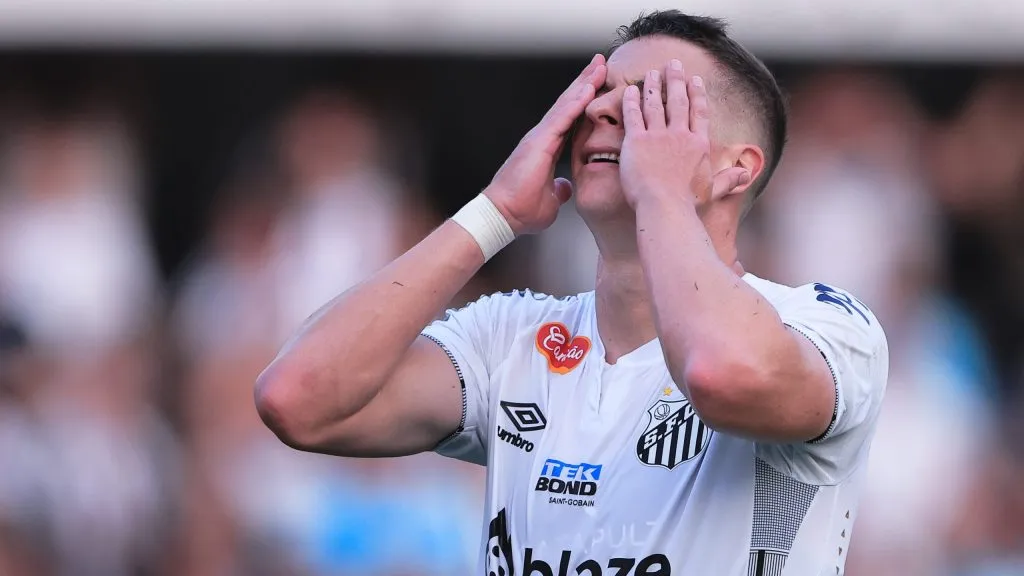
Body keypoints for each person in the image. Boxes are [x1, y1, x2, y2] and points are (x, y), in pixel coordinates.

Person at [255, 11, 889, 576]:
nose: (602, 113)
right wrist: (493, 213)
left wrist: (661, 191)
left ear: (735, 168)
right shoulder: (510, 338)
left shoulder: (825, 327)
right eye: (599, 96)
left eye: (651, 104)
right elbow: (299, 400)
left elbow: (723, 374)